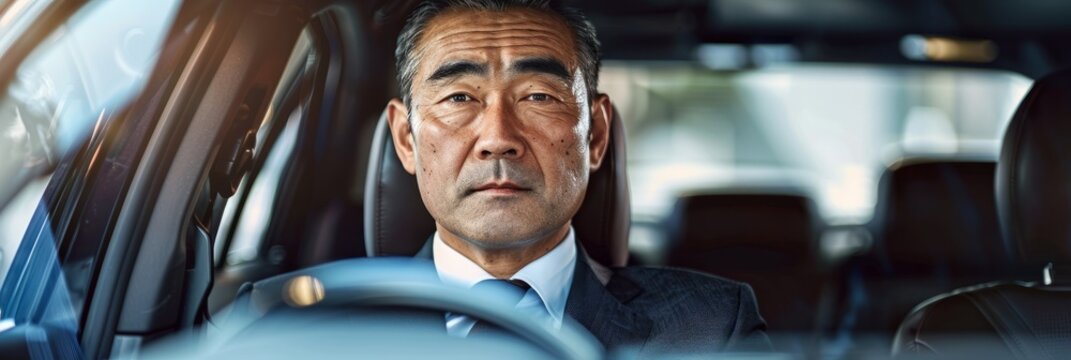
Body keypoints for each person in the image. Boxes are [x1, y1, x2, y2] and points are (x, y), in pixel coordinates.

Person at [384, 0, 771, 354]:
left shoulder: (711, 328)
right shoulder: (332, 324)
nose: (498, 139)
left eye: (539, 96)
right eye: (459, 98)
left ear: (596, 134)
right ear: (406, 139)